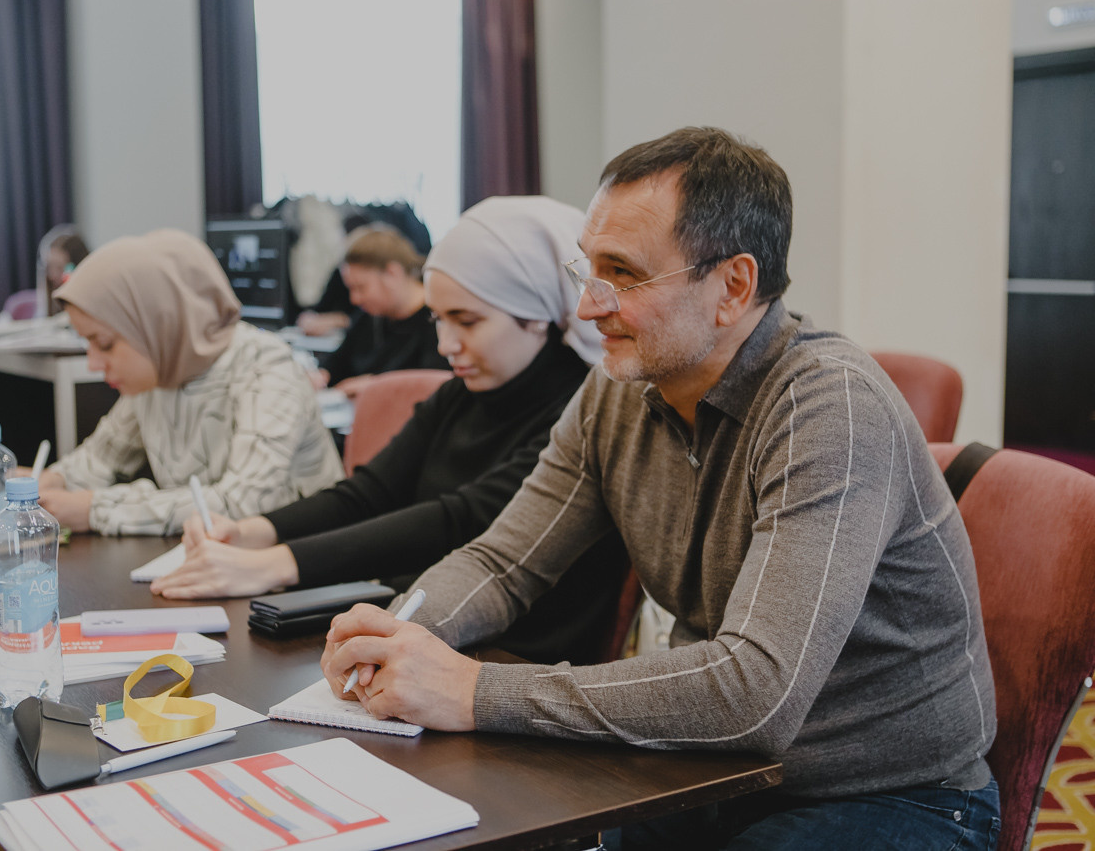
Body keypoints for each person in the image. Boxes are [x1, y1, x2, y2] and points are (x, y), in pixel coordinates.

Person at [320, 128, 1000, 849]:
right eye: (590, 269)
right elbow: (502, 562)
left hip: (895, 794)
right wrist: (404, 631)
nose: (588, 307)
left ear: (732, 287)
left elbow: (752, 691)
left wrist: (471, 690)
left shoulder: (829, 409)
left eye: (623, 273)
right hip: (714, 770)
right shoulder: (620, 388)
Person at [153, 197, 624, 665]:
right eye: (438, 319)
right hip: (423, 617)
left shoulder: (580, 409)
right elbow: (369, 492)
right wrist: (254, 532)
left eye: (467, 320)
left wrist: (272, 564)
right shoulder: (462, 394)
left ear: (538, 313)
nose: (445, 345)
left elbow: (459, 520)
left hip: (512, 653)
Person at [35, 228, 344, 537]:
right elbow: (102, 457)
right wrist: (49, 483)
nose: (93, 363)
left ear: (159, 326)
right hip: (225, 565)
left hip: (302, 564)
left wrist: (95, 509)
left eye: (104, 343)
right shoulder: (164, 369)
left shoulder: (267, 370)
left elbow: (242, 504)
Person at [316, 224, 449, 398]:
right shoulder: (370, 316)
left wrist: (377, 386)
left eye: (361, 288)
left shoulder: (438, 320)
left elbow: (432, 385)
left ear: (392, 273)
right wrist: (321, 376)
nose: (354, 299)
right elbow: (338, 361)